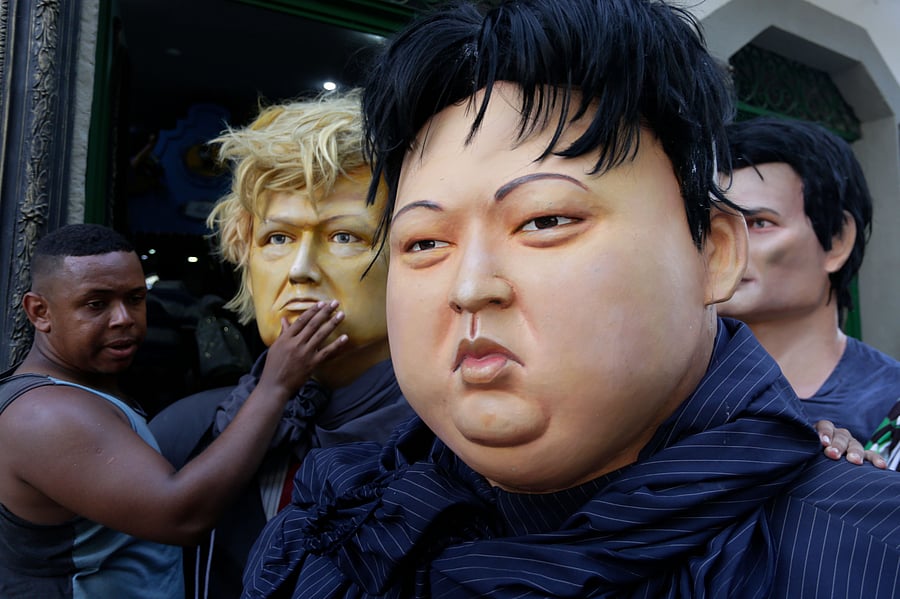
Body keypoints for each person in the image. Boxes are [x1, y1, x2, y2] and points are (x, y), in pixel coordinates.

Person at [242, 1, 900, 598]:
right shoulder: (328, 536)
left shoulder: (864, 555)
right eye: (422, 243)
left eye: (544, 220)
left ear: (714, 254)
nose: (470, 285)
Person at [149, 91, 414, 598]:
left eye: (343, 236)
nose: (300, 270)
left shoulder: (463, 443)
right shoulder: (190, 432)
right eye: (277, 238)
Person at [0, 223, 346, 598]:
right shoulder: (44, 414)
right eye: (96, 304)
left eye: (135, 298)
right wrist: (275, 385)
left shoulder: (81, 392)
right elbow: (182, 516)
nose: (124, 318)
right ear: (39, 312)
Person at [718, 117, 900, 442]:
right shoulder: (666, 392)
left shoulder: (891, 405)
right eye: (710, 226)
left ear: (837, 240)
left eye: (759, 223)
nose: (723, 245)